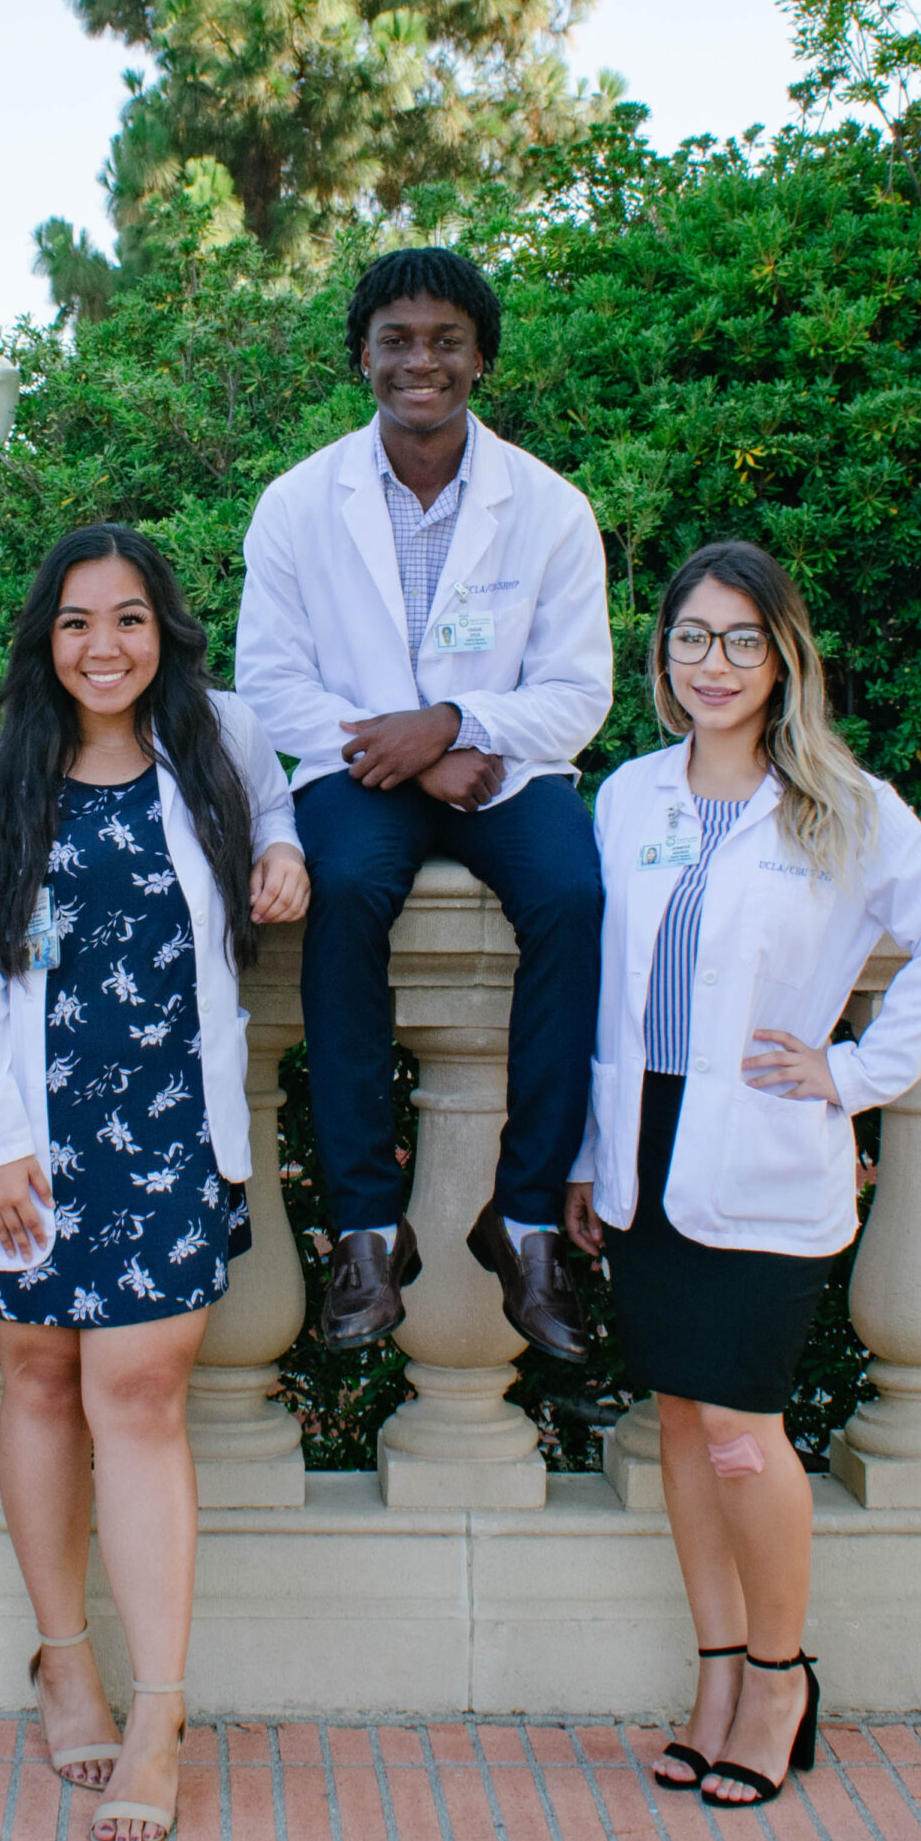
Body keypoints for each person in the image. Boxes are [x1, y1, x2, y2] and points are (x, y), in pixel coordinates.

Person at [564, 540, 921, 1808]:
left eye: (741, 639)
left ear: (784, 658)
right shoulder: (629, 797)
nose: (713, 663)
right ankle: (713, 1675)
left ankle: (778, 1675)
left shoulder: (841, 806)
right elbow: (615, 996)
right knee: (687, 1428)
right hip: (645, 1150)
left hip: (759, 1154)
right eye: (690, 637)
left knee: (745, 1432)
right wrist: (596, 1156)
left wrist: (854, 1071)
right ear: (661, 656)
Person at [0, 526, 306, 1841]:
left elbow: (283, 804)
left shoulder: (218, 741)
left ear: (164, 632)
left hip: (166, 1126)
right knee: (35, 1375)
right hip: (29, 1134)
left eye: (129, 619)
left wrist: (288, 850)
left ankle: (160, 1711)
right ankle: (64, 1661)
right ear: (45, 642)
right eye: (77, 622)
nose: (104, 646)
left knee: (136, 1395)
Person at [236, 246, 611, 1356]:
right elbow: (270, 680)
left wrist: (452, 726)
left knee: (575, 898)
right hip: (356, 771)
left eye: (446, 340)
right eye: (397, 338)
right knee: (342, 887)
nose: (421, 361)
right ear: (362, 355)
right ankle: (362, 1221)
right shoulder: (299, 503)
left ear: (480, 360)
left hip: (501, 766)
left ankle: (528, 1214)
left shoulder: (546, 507)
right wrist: (402, 749)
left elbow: (577, 689)